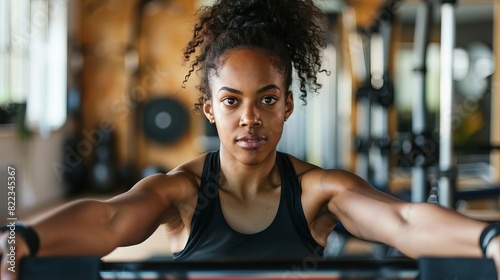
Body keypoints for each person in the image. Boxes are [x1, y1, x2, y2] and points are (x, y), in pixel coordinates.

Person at [2, 0, 500, 278]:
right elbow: (109, 218)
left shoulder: (318, 192)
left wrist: (491, 239)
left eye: (266, 99)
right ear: (209, 108)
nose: (249, 118)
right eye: (231, 100)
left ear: (287, 104)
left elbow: (404, 219)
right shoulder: (180, 191)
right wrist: (18, 240)